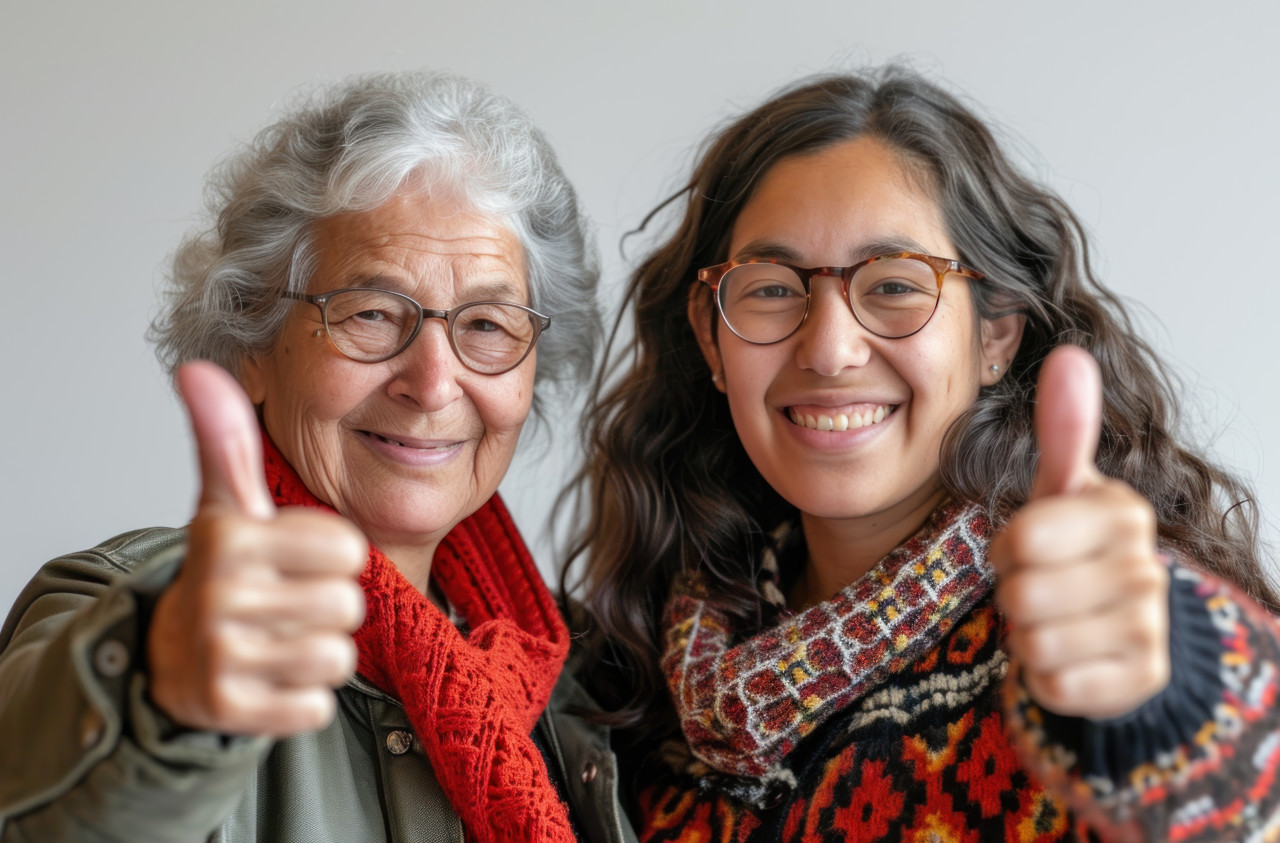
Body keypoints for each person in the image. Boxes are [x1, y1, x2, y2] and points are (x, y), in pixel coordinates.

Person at [569, 67, 1280, 841]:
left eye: (896, 285)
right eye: (771, 289)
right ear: (713, 338)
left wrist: (1168, 701)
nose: (830, 348)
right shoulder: (633, 679)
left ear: (994, 335)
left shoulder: (1081, 633)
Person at [0, 70, 634, 843]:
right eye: (371, 312)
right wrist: (153, 700)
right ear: (255, 348)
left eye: (487, 325)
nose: (434, 382)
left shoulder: (574, 682)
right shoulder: (136, 606)